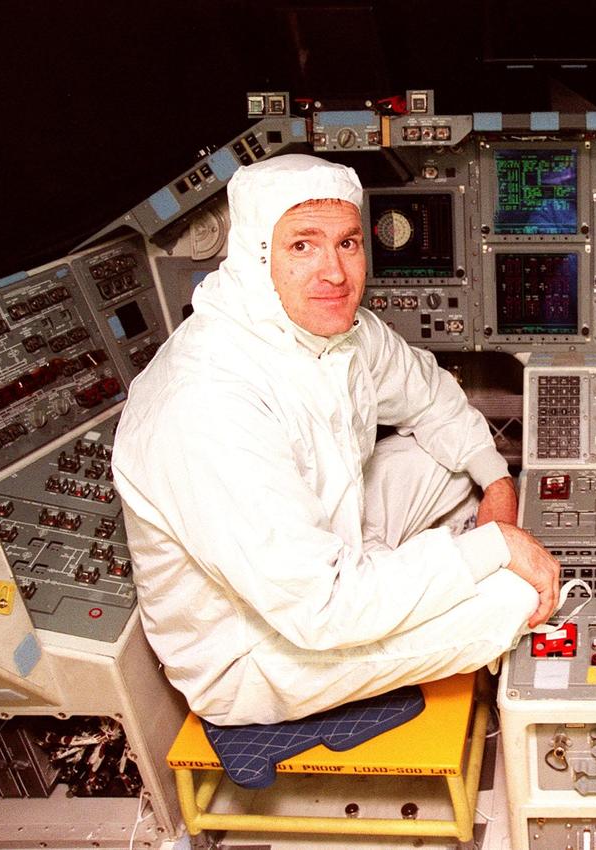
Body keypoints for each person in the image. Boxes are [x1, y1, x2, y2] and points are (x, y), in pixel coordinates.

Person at [112, 155, 559, 726]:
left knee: (451, 467)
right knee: (515, 599)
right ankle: (413, 587)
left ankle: (401, 580)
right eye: (303, 245)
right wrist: (494, 547)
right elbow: (321, 609)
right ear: (256, 255)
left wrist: (498, 487)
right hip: (257, 651)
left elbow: (431, 397)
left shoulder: (338, 331)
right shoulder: (207, 402)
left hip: (331, 555)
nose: (334, 273)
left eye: (347, 243)